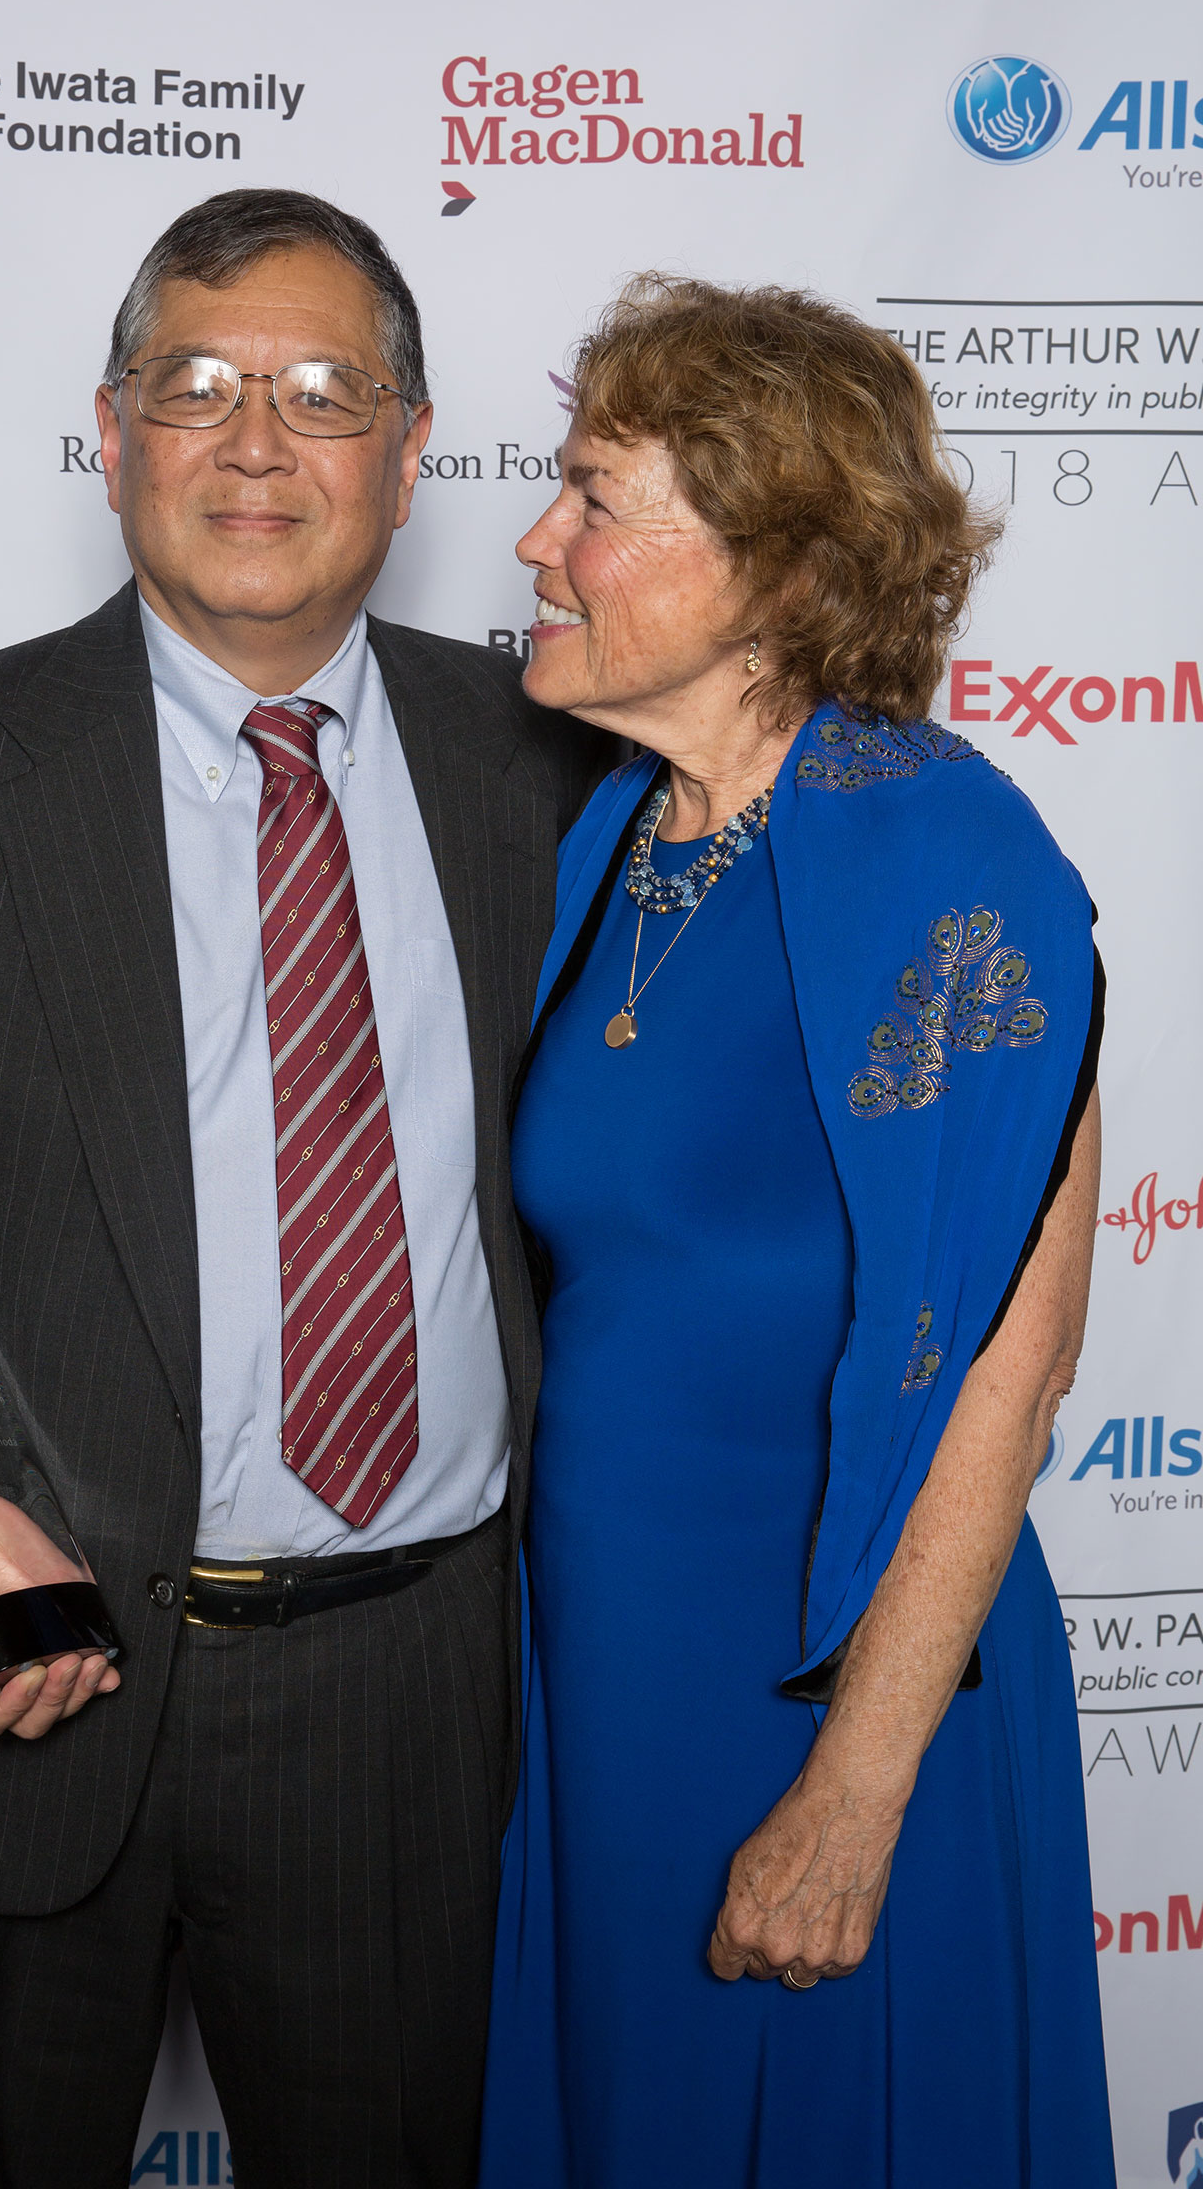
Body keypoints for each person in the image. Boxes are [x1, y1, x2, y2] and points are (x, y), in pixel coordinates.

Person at [0, 188, 604, 2189]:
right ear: (110, 433)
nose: (253, 443)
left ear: (407, 447)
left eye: (320, 393)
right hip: (11, 1677)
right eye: (192, 387)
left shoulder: (547, 771)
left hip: (405, 1690)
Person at [477, 276, 1116, 2189]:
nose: (536, 539)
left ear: (765, 559)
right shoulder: (611, 842)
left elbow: (1017, 1349)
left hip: (835, 1683)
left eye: (594, 495)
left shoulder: (944, 850)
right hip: (599, 1668)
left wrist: (854, 1788)